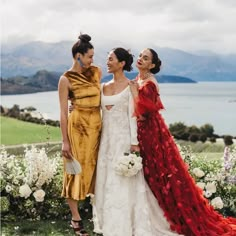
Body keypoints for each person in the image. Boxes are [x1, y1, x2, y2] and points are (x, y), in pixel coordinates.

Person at [129, 48, 236, 236]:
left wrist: (133, 92)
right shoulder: (138, 81)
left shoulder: (149, 84)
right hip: (142, 131)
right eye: (140, 56)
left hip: (150, 133)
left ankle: (165, 216)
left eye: (145, 58)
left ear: (152, 65)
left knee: (158, 173)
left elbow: (143, 112)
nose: (140, 59)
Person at [93, 47, 181, 236]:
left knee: (127, 180)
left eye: (110, 59)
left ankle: (129, 221)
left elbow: (137, 116)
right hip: (107, 139)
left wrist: (134, 143)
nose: (107, 62)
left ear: (121, 63)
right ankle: (106, 218)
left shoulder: (139, 85)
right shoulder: (110, 85)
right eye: (140, 56)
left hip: (131, 137)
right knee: (108, 177)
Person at [58, 34, 102, 236]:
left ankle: (99, 215)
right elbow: (62, 113)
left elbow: (106, 95)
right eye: (90, 56)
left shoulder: (96, 72)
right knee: (74, 172)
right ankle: (76, 219)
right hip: (77, 129)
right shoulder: (65, 79)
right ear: (78, 56)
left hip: (97, 128)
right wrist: (65, 141)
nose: (92, 60)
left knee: (96, 170)